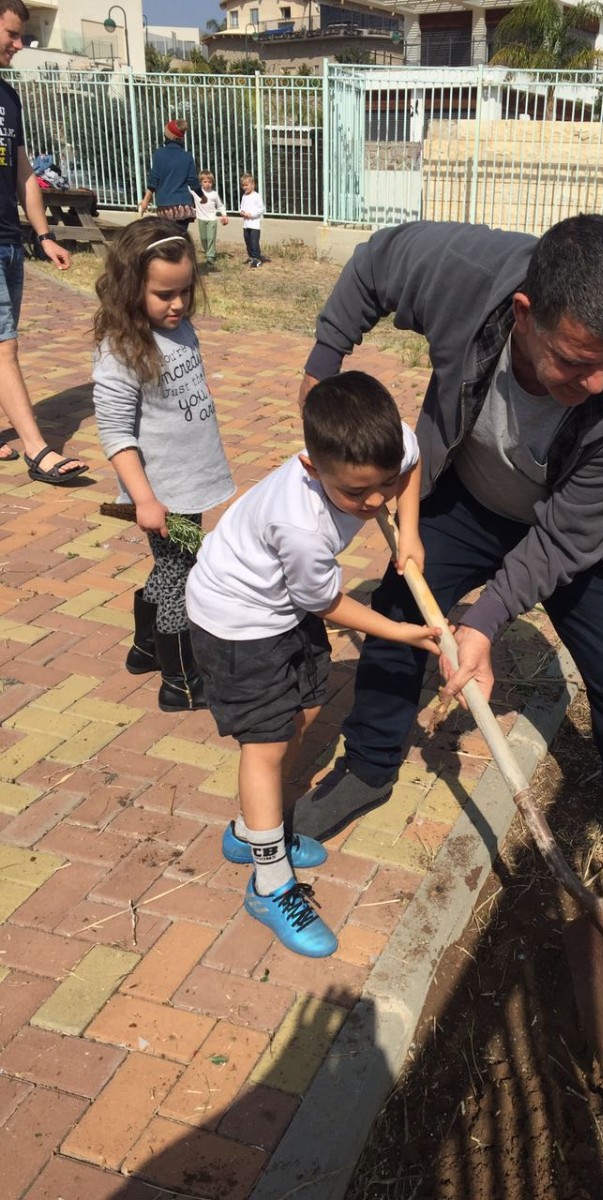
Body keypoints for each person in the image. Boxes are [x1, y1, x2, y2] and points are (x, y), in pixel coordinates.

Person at [295, 215, 603, 921]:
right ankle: (371, 763)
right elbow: (376, 262)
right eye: (574, 361)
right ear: (526, 314)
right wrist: (323, 364)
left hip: (575, 528)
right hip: (471, 493)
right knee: (398, 612)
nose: (598, 383)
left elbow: (566, 538)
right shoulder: (468, 274)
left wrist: (485, 620)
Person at [185, 371, 441, 956]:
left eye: (381, 486)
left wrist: (409, 531)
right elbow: (324, 602)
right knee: (266, 744)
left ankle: (253, 833)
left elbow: (412, 457)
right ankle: (269, 886)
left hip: (280, 610)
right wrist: (399, 630)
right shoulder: (299, 525)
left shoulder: (385, 446)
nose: (374, 501)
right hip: (237, 622)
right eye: (356, 494)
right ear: (310, 466)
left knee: (304, 708)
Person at [92, 218, 235, 712]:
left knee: (172, 568)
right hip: (163, 493)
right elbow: (115, 434)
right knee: (183, 577)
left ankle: (145, 649)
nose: (177, 304)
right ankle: (182, 683)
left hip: (190, 484)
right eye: (163, 294)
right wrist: (145, 499)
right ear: (132, 288)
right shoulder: (122, 350)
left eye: (185, 291)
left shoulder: (180, 328)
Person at [0, 0, 89, 483]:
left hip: (10, 239)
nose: (19, 44)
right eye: (12, 34)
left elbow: (23, 173)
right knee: (4, 348)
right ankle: (38, 451)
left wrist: (45, 235)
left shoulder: (8, 96)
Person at [138, 119, 201, 232]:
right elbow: (193, 182)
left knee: (168, 239)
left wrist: (145, 201)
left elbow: (153, 180)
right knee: (180, 239)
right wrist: (203, 196)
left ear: (167, 135)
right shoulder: (187, 156)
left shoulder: (159, 154)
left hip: (165, 206)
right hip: (183, 205)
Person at [192, 170, 228, 270]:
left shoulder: (214, 194)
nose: (207, 184)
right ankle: (208, 251)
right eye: (205, 182)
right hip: (201, 219)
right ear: (200, 182)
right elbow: (187, 187)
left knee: (211, 238)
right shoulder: (196, 192)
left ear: (212, 183)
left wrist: (224, 215)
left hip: (212, 219)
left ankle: (210, 257)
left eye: (209, 182)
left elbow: (220, 206)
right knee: (203, 238)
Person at [239, 174, 265, 268]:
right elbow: (242, 207)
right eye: (243, 185)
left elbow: (261, 209)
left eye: (247, 185)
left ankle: (257, 258)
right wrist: (241, 212)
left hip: (254, 225)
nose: (245, 187)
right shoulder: (244, 196)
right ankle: (251, 257)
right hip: (246, 224)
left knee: (254, 242)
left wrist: (252, 214)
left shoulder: (256, 196)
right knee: (248, 242)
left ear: (253, 185)